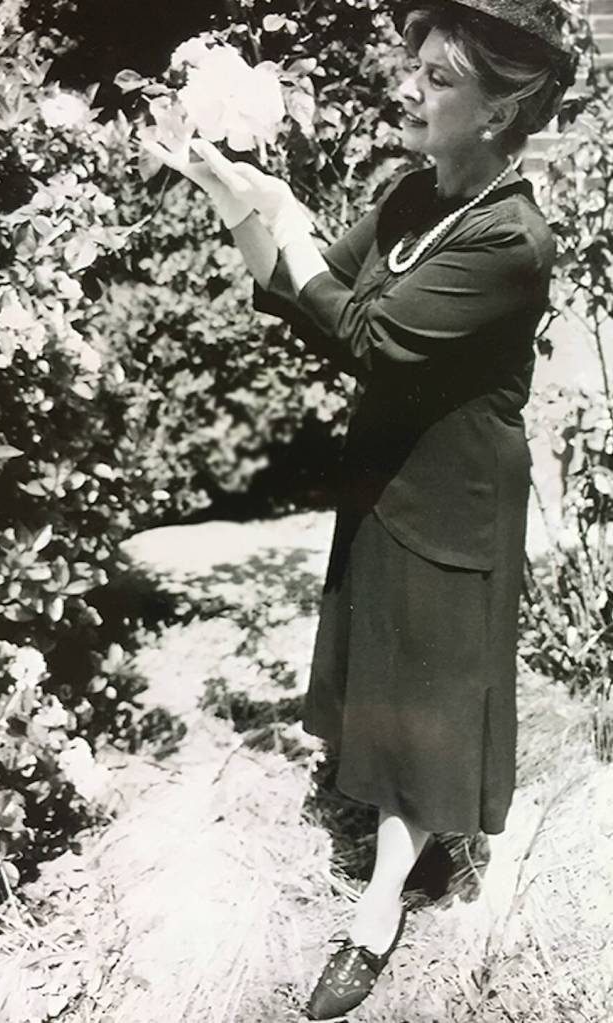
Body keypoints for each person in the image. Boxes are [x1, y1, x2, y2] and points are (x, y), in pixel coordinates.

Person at [146, 0, 578, 1017]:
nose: (408, 87)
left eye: (437, 77)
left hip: (457, 494)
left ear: (498, 111)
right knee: (386, 663)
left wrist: (284, 211)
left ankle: (381, 906)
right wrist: (238, 201)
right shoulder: (413, 195)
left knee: (434, 687)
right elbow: (312, 299)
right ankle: (413, 833)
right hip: (387, 468)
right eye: (413, 67)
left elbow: (367, 340)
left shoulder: (511, 240)